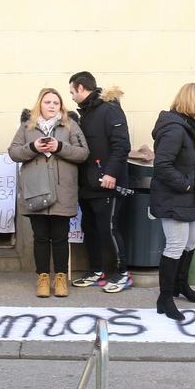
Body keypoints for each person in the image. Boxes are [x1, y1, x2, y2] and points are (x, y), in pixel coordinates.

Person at [8, 88, 90, 298]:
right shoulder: (27, 127)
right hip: (36, 191)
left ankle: (61, 278)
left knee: (61, 238)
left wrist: (59, 146)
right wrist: (33, 146)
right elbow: (14, 152)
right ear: (40, 104)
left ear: (60, 107)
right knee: (41, 238)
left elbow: (83, 153)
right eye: (48, 102)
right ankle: (43, 278)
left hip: (63, 191)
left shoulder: (70, 126)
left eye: (56, 102)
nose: (52, 106)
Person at [149, 82, 195, 322]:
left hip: (188, 196)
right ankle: (164, 299)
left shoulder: (189, 125)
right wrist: (186, 184)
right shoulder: (174, 129)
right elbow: (162, 166)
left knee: (192, 240)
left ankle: (180, 285)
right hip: (174, 195)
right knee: (175, 244)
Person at [68, 71, 132, 293]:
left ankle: (122, 273)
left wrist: (111, 173)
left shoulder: (109, 109)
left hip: (107, 183)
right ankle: (96, 271)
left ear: (81, 88)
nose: (72, 97)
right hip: (88, 184)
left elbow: (121, 144)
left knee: (109, 228)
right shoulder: (85, 113)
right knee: (90, 228)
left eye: (72, 92)